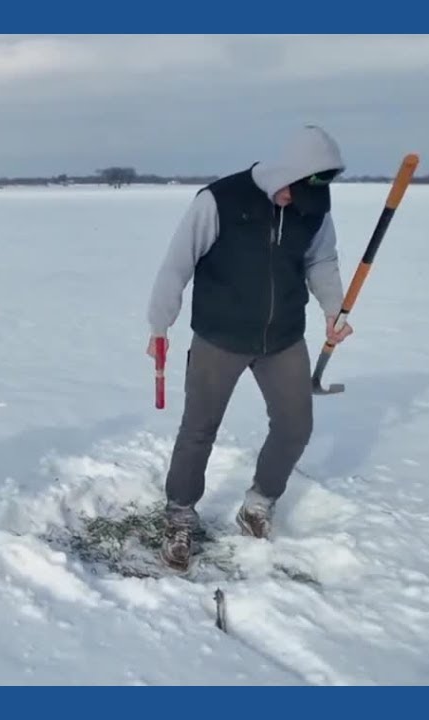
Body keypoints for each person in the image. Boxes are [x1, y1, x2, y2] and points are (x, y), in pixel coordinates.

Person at [145, 124, 354, 571]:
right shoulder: (219, 200)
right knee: (199, 429)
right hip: (219, 336)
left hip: (282, 338)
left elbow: (321, 259)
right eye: (290, 195)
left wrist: (334, 311)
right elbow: (177, 261)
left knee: (295, 425)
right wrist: (160, 325)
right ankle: (180, 514)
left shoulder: (314, 206)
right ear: (284, 175)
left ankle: (259, 503)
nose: (293, 206)